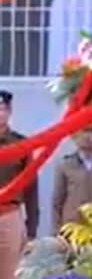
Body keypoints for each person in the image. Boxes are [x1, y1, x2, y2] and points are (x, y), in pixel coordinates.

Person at [0, 91, 37, 279]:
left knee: (9, 273)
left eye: (2, 108)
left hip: (9, 215)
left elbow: (30, 186)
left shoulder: (21, 143)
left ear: (9, 112)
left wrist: (32, 226)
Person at [50, 131, 92, 230]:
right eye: (83, 132)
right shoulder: (65, 165)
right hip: (72, 228)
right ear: (74, 137)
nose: (87, 136)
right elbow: (57, 202)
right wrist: (56, 231)